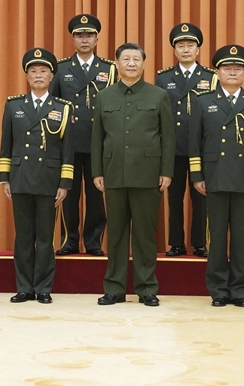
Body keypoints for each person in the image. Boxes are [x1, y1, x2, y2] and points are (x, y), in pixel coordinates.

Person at [91, 43, 175, 306]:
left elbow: (168, 138)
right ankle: (114, 288)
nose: (131, 63)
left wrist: (166, 171)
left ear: (143, 64)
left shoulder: (158, 95)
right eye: (125, 59)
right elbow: (97, 138)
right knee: (115, 234)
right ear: (117, 63)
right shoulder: (104, 96)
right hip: (113, 173)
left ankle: (147, 288)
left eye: (136, 59)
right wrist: (97, 171)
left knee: (145, 234)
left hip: (148, 174)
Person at [189, 45, 244, 307]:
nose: (232, 72)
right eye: (227, 68)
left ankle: (241, 290)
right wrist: (197, 174)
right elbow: (195, 142)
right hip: (215, 175)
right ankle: (218, 289)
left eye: (237, 68)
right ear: (217, 72)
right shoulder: (203, 101)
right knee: (217, 235)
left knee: (241, 236)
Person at [0, 48, 75, 304]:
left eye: (43, 71)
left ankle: (43, 287)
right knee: (23, 237)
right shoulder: (14, 105)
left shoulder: (63, 108)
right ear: (27, 76)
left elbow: (68, 150)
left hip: (48, 180)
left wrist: (65, 183)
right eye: (33, 71)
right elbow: (6, 145)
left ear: (52, 76)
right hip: (20, 178)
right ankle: (24, 287)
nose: (38, 75)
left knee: (45, 237)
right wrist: (5, 177)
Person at [51, 14, 116, 256]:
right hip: (68, 141)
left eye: (89, 35)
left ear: (97, 39)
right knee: (67, 193)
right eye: (80, 35)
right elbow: (53, 105)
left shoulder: (109, 69)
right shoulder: (61, 68)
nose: (85, 40)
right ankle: (69, 240)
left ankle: (93, 242)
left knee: (96, 195)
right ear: (73, 40)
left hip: (98, 141)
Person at [156, 23, 217, 258]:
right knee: (174, 198)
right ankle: (176, 243)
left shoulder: (210, 77)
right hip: (174, 147)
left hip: (201, 148)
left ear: (198, 49)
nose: (185, 50)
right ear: (174, 50)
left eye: (190, 45)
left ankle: (200, 243)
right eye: (181, 46)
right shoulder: (164, 78)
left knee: (201, 198)